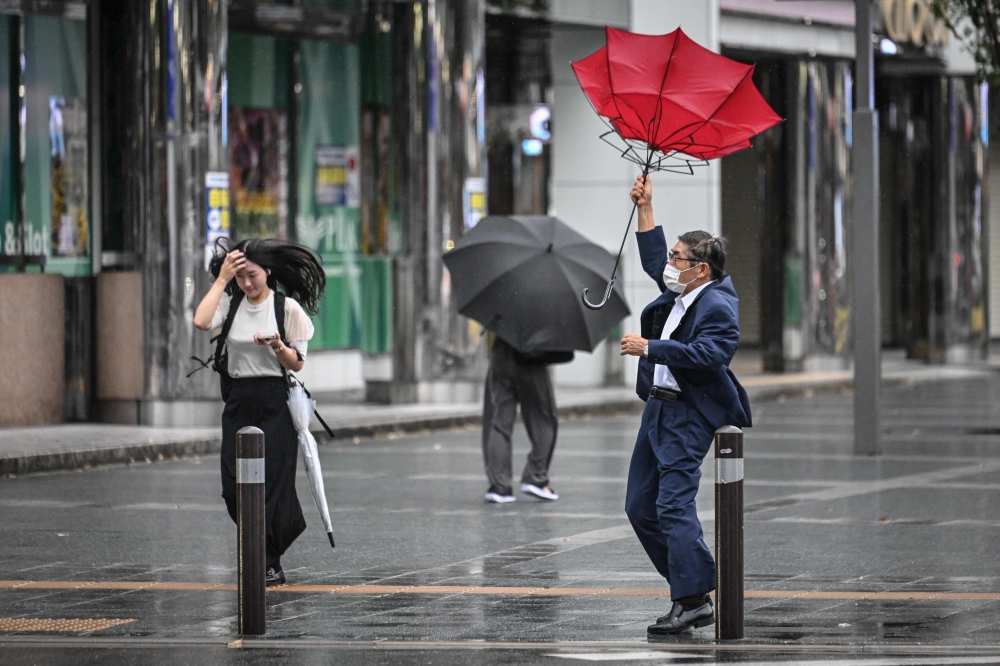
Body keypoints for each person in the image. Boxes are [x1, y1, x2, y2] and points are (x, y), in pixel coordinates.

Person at [619, 175, 751, 635]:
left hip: (686, 414)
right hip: (656, 408)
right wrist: (645, 207)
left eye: (679, 258)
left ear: (702, 269)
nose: (670, 266)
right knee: (640, 506)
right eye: (674, 255)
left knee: (673, 507)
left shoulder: (717, 304)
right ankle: (692, 589)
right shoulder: (682, 288)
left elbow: (711, 355)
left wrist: (651, 348)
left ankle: (693, 598)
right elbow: (655, 259)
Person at [193, 238, 326, 586]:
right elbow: (201, 321)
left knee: (272, 489)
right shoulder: (230, 302)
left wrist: (278, 345)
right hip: (238, 400)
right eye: (241, 278)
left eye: (252, 276)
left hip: (275, 402)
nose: (247, 284)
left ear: (267, 271)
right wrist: (222, 280)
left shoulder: (287, 309)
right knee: (232, 487)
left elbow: (296, 363)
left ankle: (266, 561)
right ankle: (270, 551)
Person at [482, 336, 572, 504]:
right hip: (532, 355)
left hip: (501, 352)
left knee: (499, 422)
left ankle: (499, 487)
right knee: (544, 418)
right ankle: (535, 477)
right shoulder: (546, 308)